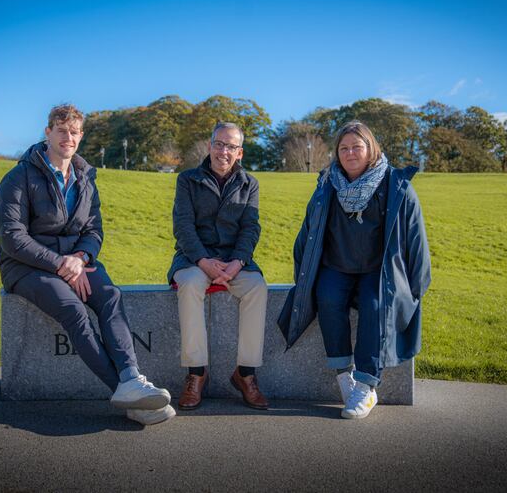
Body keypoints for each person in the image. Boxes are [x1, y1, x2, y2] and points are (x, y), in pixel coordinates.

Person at [0, 103, 174, 426]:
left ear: (82, 136)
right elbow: (12, 237)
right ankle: (127, 391)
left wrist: (79, 258)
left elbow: (94, 229)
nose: (69, 137)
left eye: (75, 132)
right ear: (47, 132)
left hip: (76, 260)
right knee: (73, 309)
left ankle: (132, 378)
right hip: (26, 266)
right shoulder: (18, 177)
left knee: (110, 296)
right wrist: (59, 264)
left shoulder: (85, 177)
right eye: (62, 130)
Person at [278, 121, 431, 419]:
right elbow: (308, 231)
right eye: (344, 148)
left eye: (356, 147)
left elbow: (416, 238)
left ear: (370, 148)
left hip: (380, 270)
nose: (350, 153)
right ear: (337, 153)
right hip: (338, 266)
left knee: (375, 305)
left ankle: (366, 385)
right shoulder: (327, 185)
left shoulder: (396, 185)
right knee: (328, 297)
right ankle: (343, 377)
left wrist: (416, 286)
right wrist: (303, 278)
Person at [168, 122, 270, 410]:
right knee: (189, 285)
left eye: (230, 146)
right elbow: (183, 225)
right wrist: (203, 261)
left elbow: (251, 228)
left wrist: (237, 263)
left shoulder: (250, 184)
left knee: (257, 288)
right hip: (194, 258)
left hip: (234, 261)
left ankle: (246, 375)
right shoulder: (188, 179)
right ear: (210, 145)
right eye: (218, 144)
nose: (223, 151)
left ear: (240, 153)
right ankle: (196, 374)